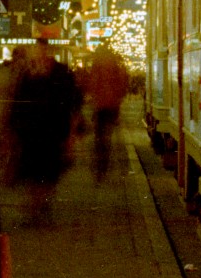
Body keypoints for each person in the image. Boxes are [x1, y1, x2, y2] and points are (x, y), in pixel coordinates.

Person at [8, 39, 79, 222]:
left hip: (54, 131)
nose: (37, 54)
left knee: (48, 173)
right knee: (33, 172)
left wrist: (71, 133)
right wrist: (12, 129)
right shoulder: (27, 73)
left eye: (40, 50)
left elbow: (72, 103)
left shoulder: (61, 73)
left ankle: (40, 207)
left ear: (47, 51)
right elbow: (17, 102)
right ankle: (35, 208)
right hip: (30, 132)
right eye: (35, 51)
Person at [86, 44, 129, 181]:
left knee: (99, 135)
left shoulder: (97, 64)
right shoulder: (114, 65)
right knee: (107, 135)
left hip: (100, 104)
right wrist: (118, 100)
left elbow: (93, 82)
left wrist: (93, 97)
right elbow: (121, 83)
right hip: (111, 105)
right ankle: (104, 164)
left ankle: (100, 166)